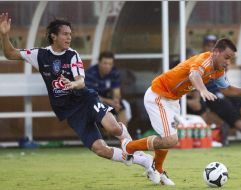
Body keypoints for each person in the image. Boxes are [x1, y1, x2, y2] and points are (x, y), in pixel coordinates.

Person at [0, 13, 161, 184]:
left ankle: (132, 148)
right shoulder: (39, 55)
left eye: (70, 34)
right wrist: (4, 34)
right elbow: (10, 54)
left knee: (113, 128)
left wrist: (72, 84)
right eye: (65, 34)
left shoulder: (72, 55)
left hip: (86, 100)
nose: (69, 37)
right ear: (53, 36)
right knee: (100, 150)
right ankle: (145, 161)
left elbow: (81, 82)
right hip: (70, 111)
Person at [121, 38, 241, 186]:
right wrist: (202, 89)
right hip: (158, 95)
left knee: (168, 138)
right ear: (216, 52)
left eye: (230, 59)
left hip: (172, 100)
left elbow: (227, 88)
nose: (228, 62)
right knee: (170, 139)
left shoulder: (218, 70)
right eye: (227, 57)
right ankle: (129, 147)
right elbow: (194, 75)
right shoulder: (204, 60)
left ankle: (157, 169)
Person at [187, 34, 241, 142]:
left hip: (220, 92)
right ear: (204, 47)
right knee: (226, 105)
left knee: (240, 101)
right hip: (207, 94)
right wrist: (202, 90)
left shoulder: (219, 63)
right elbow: (193, 75)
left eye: (213, 45)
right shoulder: (201, 59)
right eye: (208, 45)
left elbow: (225, 87)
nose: (211, 48)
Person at [85, 51, 131, 127]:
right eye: (105, 63)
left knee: (121, 106)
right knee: (101, 109)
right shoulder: (90, 74)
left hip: (107, 98)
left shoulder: (114, 72)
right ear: (99, 62)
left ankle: (124, 137)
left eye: (110, 64)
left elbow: (116, 90)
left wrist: (116, 101)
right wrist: (110, 102)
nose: (107, 66)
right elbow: (91, 95)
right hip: (91, 101)